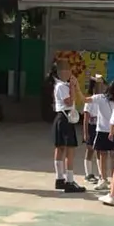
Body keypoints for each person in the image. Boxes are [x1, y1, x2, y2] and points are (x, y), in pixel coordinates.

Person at [50, 61, 86, 193]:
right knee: (69, 150)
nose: (69, 73)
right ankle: (68, 180)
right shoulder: (61, 86)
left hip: (64, 118)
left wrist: (73, 86)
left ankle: (60, 179)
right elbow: (70, 101)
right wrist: (72, 87)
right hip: (64, 118)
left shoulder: (61, 85)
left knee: (60, 149)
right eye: (65, 70)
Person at [86, 79, 114, 191]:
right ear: (112, 91)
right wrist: (76, 88)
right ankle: (103, 179)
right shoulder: (101, 98)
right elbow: (85, 99)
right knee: (103, 155)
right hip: (102, 131)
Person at [81, 75, 106, 185]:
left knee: (100, 151)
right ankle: (88, 174)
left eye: (102, 85)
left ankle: (102, 175)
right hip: (92, 127)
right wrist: (85, 133)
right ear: (94, 87)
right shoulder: (90, 100)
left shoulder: (104, 99)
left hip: (100, 127)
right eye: (98, 85)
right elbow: (86, 118)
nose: (101, 87)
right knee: (90, 150)